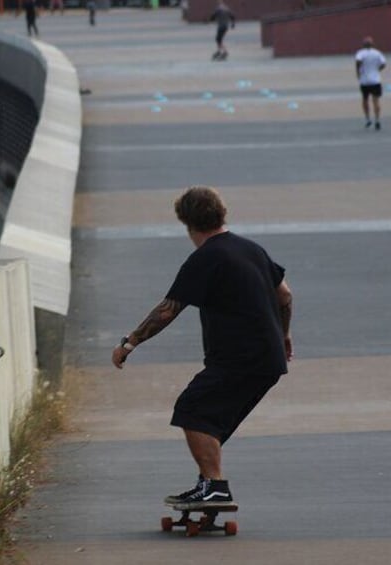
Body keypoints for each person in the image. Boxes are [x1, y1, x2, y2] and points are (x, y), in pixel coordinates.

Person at [111, 186, 294, 509]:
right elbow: (285, 296)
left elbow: (167, 310)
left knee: (193, 410)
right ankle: (207, 483)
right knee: (211, 419)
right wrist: (283, 335)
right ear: (221, 213)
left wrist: (130, 342)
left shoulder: (206, 257)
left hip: (240, 357)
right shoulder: (250, 248)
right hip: (268, 359)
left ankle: (215, 486)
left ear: (186, 222)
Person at [355, 36, 386, 131]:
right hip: (375, 80)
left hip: (364, 80)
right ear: (372, 44)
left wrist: (358, 72)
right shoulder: (377, 53)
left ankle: (368, 119)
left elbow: (358, 61)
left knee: (365, 100)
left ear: (363, 44)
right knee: (376, 101)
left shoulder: (360, 53)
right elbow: (384, 63)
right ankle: (377, 120)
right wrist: (378, 70)